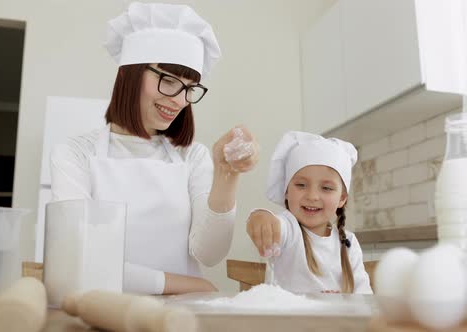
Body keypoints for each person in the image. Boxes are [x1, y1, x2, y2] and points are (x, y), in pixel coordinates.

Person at [50, 2, 259, 295]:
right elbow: (79, 260)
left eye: (189, 88)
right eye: (168, 80)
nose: (179, 100)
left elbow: (208, 253)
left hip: (178, 319)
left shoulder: (193, 157)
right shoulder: (75, 155)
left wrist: (228, 174)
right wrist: (188, 284)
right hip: (102, 313)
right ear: (128, 75)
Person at [246, 131, 372, 294]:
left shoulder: (349, 242)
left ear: (342, 198)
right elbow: (272, 224)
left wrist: (342, 301)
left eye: (326, 188)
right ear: (286, 191)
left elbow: (365, 298)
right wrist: (260, 217)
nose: (312, 196)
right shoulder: (289, 230)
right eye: (301, 185)